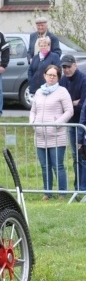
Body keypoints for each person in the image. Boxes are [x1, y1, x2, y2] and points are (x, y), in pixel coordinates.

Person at [29, 65, 73, 200]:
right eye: (49, 75)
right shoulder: (38, 92)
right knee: (45, 166)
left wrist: (57, 123)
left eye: (54, 75)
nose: (51, 77)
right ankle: (47, 193)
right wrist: (32, 122)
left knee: (57, 166)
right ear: (45, 75)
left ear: (58, 77)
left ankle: (62, 193)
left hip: (57, 136)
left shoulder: (62, 92)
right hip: (40, 136)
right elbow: (33, 110)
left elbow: (69, 111)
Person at [59, 54, 86, 191]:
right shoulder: (63, 80)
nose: (66, 69)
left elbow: (82, 105)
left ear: (75, 65)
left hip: (83, 124)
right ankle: (78, 188)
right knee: (76, 156)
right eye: (64, 67)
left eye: (68, 67)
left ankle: (83, 187)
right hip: (72, 123)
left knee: (83, 155)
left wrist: (69, 105)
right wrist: (72, 103)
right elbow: (60, 103)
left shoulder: (83, 79)